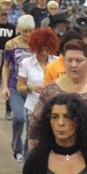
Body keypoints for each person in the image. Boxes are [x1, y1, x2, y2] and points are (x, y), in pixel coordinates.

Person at [14, 26, 58, 164]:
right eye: (41, 49)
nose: (44, 53)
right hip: (33, 107)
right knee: (32, 138)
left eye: (47, 49)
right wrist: (30, 87)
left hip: (54, 108)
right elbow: (19, 87)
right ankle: (30, 166)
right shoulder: (26, 63)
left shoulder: (57, 62)